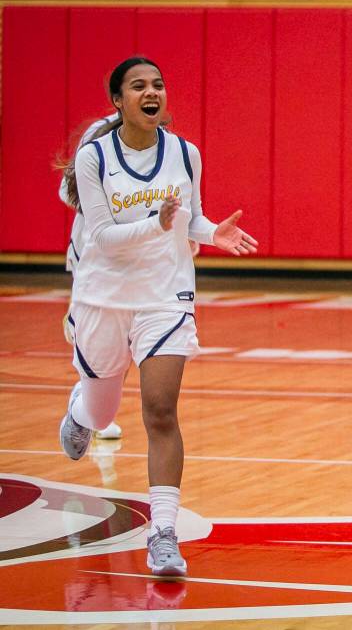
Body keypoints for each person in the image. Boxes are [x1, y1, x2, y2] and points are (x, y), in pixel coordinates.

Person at [59, 56, 257, 578]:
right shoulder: (94, 158)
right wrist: (157, 222)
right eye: (139, 86)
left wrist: (214, 233)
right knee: (104, 412)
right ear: (118, 101)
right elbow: (102, 236)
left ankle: (162, 533)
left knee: (160, 411)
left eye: (159, 85)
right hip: (104, 296)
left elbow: (189, 218)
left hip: (165, 295)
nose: (153, 92)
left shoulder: (185, 153)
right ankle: (83, 412)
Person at [60, 113, 123, 441]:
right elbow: (67, 191)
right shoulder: (99, 134)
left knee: (130, 339)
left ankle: (99, 403)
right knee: (94, 333)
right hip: (95, 251)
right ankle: (87, 398)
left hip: (142, 259)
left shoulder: (166, 143)